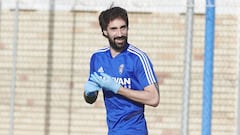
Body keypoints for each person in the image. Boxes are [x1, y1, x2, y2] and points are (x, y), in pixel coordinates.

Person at [83, 6, 160, 135]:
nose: (120, 34)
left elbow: (154, 98)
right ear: (104, 32)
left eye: (123, 27)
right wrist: (88, 94)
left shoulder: (138, 58)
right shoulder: (98, 58)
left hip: (135, 130)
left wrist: (118, 88)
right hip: (113, 130)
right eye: (114, 29)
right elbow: (91, 98)